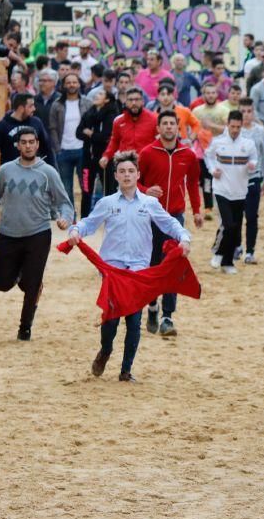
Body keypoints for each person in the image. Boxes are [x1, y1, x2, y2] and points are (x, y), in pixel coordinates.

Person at [69, 151, 191, 382]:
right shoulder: (106, 203)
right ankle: (106, 350)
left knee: (134, 319)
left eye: (131, 171)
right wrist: (75, 230)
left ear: (138, 175)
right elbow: (88, 223)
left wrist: (184, 238)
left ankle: (126, 370)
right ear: (115, 175)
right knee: (111, 318)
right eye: (122, 171)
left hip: (138, 270)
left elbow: (169, 223)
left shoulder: (149, 203)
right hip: (113, 270)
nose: (126, 175)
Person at [0, 126, 73, 341]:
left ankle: (25, 327)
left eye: (32, 142)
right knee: (0, 283)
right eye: (24, 142)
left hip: (37, 234)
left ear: (38, 145)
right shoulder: (6, 170)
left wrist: (65, 219)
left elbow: (65, 203)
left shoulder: (48, 172)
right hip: (8, 234)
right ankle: (23, 274)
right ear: (18, 145)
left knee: (31, 285)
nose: (28, 146)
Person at [138, 110, 202, 337]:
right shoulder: (146, 153)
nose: (168, 127)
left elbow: (193, 182)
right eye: (164, 124)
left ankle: (167, 316)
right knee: (153, 264)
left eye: (172, 124)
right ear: (158, 128)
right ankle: (152, 306)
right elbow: (134, 183)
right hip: (150, 217)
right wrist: (147, 190)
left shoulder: (188, 154)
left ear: (178, 128)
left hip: (175, 216)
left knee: (174, 265)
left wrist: (196, 210)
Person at [204, 110, 257, 274]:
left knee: (236, 227)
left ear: (242, 126)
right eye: (232, 126)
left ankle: (227, 263)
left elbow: (254, 158)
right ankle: (218, 253)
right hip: (221, 189)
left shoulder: (248, 144)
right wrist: (213, 170)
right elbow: (208, 156)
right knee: (228, 224)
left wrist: (252, 165)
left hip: (240, 190)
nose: (235, 129)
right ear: (227, 124)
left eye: (238, 127)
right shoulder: (218, 142)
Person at [0, 92, 55, 181]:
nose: (34, 109)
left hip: (34, 175)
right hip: (10, 177)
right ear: (21, 108)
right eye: (31, 106)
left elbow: (47, 149)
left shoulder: (36, 123)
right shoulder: (2, 126)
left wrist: (53, 172)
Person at [49, 73, 90, 216]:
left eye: (74, 82)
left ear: (79, 84)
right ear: (64, 85)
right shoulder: (57, 104)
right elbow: (52, 128)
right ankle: (70, 215)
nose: (72, 85)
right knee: (66, 186)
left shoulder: (87, 102)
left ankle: (85, 215)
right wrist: (57, 148)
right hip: (63, 150)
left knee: (85, 185)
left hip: (82, 150)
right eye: (69, 82)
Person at [236, 98, 264, 264]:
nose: (246, 115)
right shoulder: (234, 130)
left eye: (249, 111)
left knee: (251, 216)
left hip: (253, 178)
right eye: (243, 111)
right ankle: (237, 246)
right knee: (235, 216)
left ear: (253, 112)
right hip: (235, 179)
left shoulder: (259, 130)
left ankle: (250, 251)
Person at [76, 88, 118, 208]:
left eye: (100, 93)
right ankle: (84, 220)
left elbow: (106, 136)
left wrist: (90, 134)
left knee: (109, 190)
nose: (96, 95)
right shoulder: (89, 113)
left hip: (105, 159)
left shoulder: (111, 115)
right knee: (86, 190)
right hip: (87, 158)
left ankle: (111, 218)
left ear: (107, 99)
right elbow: (78, 133)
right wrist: (94, 136)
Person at [100, 88, 157, 171]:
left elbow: (159, 143)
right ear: (126, 102)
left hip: (147, 165)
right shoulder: (118, 121)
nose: (134, 103)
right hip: (126, 166)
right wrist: (106, 156)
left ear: (142, 101)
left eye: (137, 99)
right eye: (130, 100)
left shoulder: (153, 119)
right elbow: (114, 141)